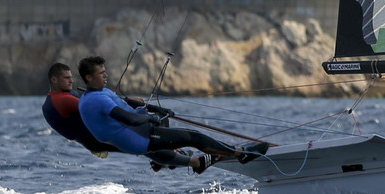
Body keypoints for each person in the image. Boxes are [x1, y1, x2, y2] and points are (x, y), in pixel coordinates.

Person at [76, 55, 265, 173]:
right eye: (101, 73)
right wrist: (151, 117)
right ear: (89, 78)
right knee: (194, 137)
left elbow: (125, 102)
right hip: (139, 137)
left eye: (105, 72)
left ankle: (187, 162)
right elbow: (130, 118)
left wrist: (154, 109)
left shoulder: (99, 92)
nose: (105, 75)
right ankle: (241, 154)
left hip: (138, 134)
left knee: (166, 130)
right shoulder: (96, 100)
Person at [41, 62, 115, 158]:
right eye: (67, 78)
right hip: (102, 138)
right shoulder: (63, 100)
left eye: (71, 77)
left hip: (91, 142)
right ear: (54, 80)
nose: (71, 81)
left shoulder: (50, 101)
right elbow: (99, 106)